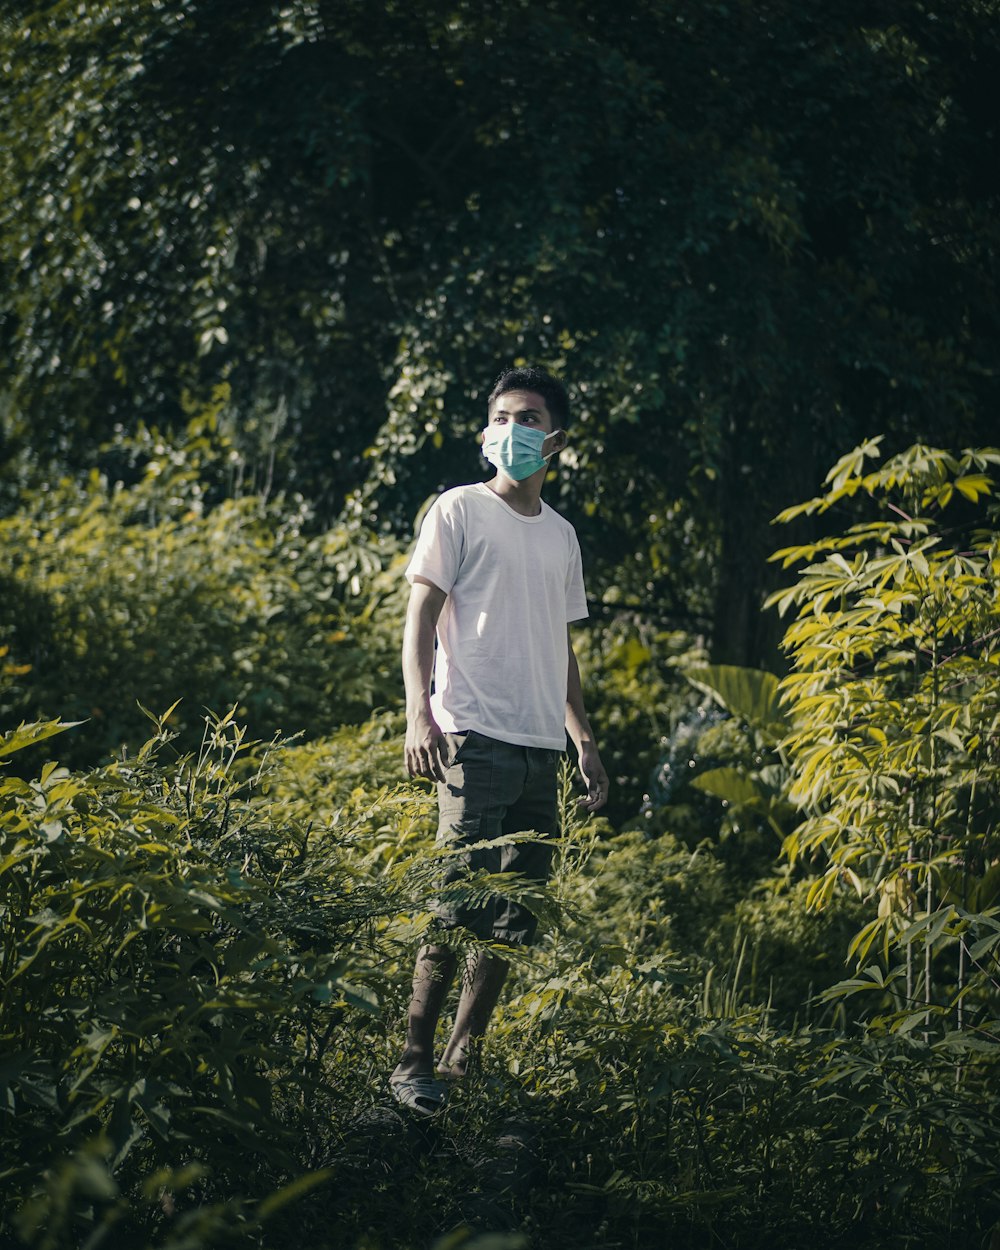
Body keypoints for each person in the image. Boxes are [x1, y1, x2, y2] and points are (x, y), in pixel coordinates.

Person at [389, 365, 609, 1116]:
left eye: (529, 417)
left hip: (540, 749)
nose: (513, 429)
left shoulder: (562, 536)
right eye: (503, 416)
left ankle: (462, 1057)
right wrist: (419, 713)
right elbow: (420, 617)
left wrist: (582, 736)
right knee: (458, 902)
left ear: (556, 440)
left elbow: (561, 647)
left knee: (516, 916)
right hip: (472, 739)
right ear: (489, 429)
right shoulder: (458, 510)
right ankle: (413, 1059)